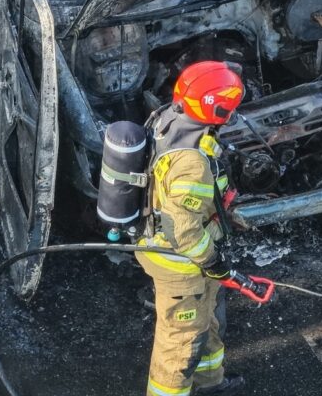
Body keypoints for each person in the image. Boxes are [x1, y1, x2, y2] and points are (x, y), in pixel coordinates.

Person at [135, 61, 246, 396]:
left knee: (205, 324)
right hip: (182, 264)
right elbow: (181, 227)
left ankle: (211, 384)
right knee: (179, 347)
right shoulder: (193, 165)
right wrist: (212, 261)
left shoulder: (168, 117)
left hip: (188, 262)